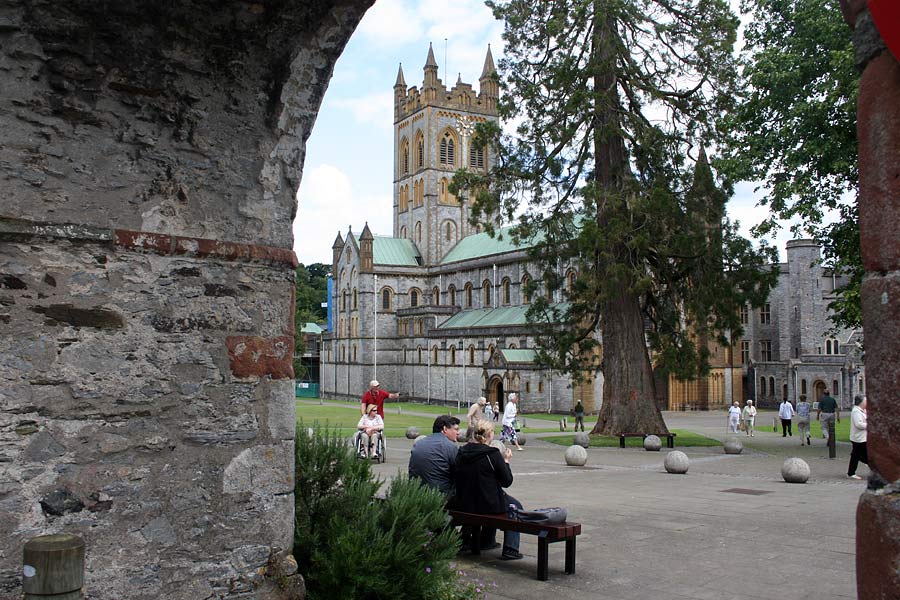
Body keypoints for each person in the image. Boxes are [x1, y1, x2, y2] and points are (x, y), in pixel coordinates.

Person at [452, 419, 524, 560]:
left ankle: (486, 541)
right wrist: (506, 462)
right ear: (489, 434)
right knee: (515, 506)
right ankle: (511, 548)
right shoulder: (492, 454)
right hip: (486, 503)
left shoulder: (462, 452)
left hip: (464, 502)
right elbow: (507, 481)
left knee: (494, 500)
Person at [408, 415, 461, 496]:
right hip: (440, 496)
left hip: (416, 493)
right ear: (445, 429)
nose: (458, 433)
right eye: (456, 429)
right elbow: (458, 473)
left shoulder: (419, 443)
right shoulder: (450, 447)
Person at [848, 395, 868, 480]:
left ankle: (851, 472)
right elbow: (858, 424)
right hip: (858, 438)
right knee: (861, 455)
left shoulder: (863, 411)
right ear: (861, 402)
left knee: (856, 455)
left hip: (863, 438)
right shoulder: (856, 411)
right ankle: (851, 473)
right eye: (865, 401)